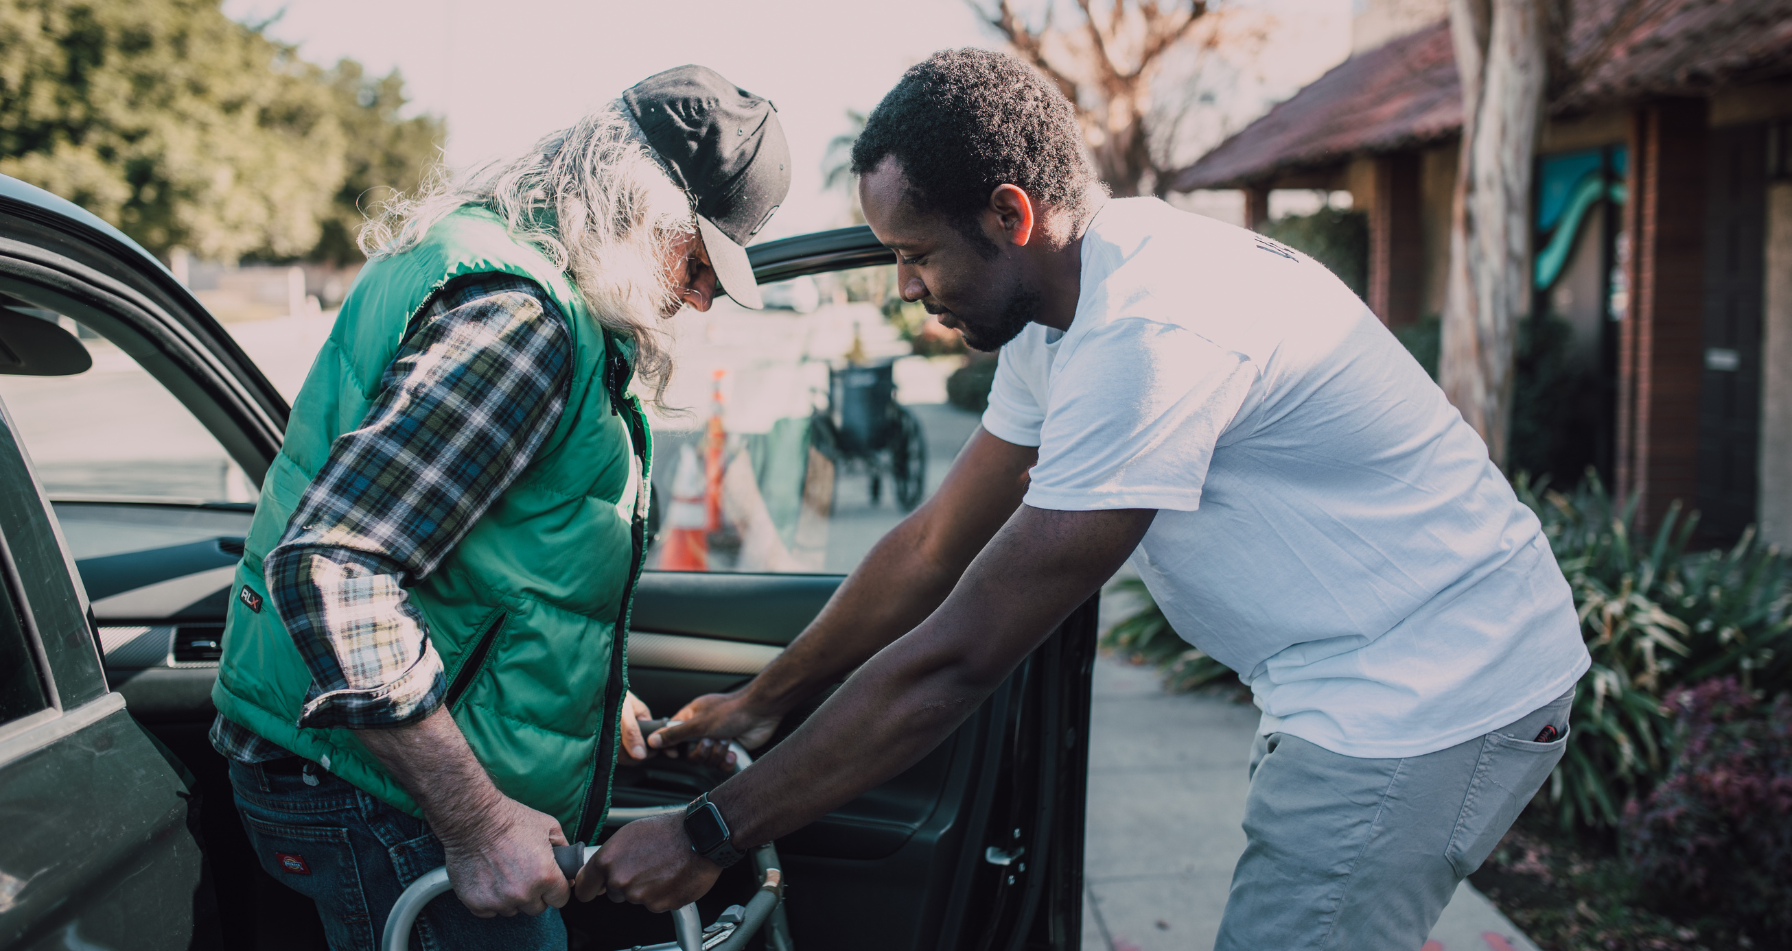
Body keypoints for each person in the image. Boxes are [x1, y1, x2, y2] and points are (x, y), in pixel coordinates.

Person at [582, 49, 1590, 950]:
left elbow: (961, 656)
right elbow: (935, 544)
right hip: (1355, 678)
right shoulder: (1064, 310)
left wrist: (709, 834)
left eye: (917, 253)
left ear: (1010, 215)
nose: (905, 287)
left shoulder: (1149, 331)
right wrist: (762, 701)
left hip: (1432, 690)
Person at [207, 65, 790, 951]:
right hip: (384, 797)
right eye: (698, 259)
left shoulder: (480, 256)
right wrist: (477, 822)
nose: (702, 296)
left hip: (352, 766)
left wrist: (579, 693)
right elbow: (337, 569)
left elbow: (485, 548)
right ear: (641, 208)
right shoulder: (522, 319)